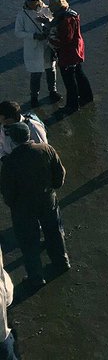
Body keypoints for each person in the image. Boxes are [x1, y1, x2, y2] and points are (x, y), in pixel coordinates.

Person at [0, 119, 68, 289]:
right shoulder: (46, 149)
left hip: (23, 209)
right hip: (48, 199)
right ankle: (62, 261)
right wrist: (53, 188)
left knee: (29, 242)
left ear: (13, 140)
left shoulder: (10, 162)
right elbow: (60, 173)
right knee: (54, 232)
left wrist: (13, 204)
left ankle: (36, 277)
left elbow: (7, 190)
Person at [46, 0, 92, 113]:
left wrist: (50, 39)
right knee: (79, 74)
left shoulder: (65, 19)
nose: (49, 9)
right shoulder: (70, 14)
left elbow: (65, 39)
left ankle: (72, 105)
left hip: (68, 53)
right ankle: (87, 97)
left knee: (69, 81)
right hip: (76, 50)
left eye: (51, 6)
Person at [14, 0, 58, 108]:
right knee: (35, 74)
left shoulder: (47, 10)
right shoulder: (22, 15)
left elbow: (55, 24)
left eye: (33, 1)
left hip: (47, 45)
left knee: (51, 70)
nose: (31, 4)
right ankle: (34, 97)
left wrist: (47, 30)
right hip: (33, 48)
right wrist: (33, 35)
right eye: (29, 1)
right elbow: (18, 32)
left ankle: (52, 91)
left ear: (39, 1)